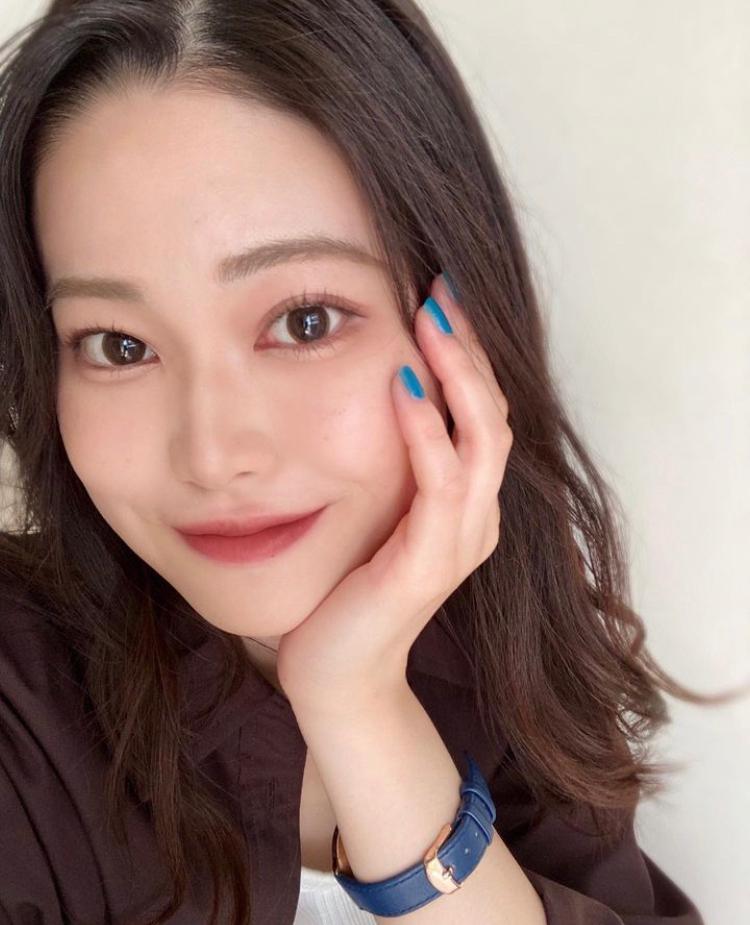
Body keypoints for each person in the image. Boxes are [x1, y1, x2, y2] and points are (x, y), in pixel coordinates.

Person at [0, 1, 740, 923]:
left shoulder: (504, 648)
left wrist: (357, 702)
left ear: (455, 325)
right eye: (118, 345)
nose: (214, 453)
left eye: (303, 321)